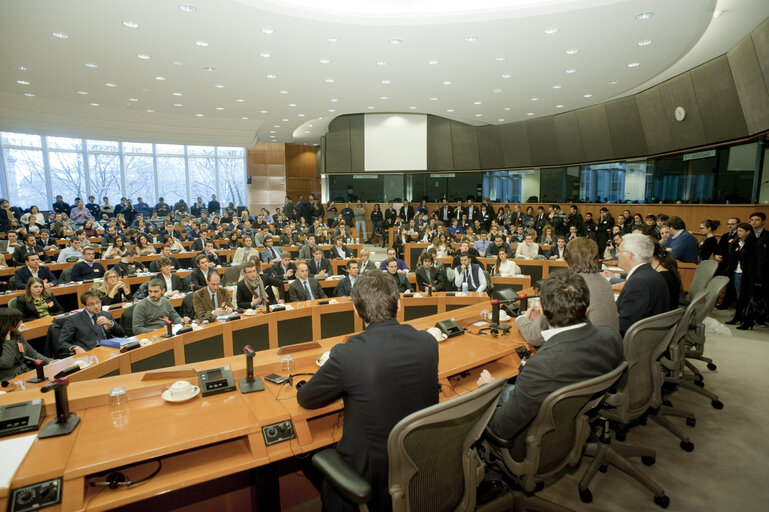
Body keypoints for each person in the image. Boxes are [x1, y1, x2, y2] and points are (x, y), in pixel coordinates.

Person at [297, 270, 439, 512]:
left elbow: (306, 398)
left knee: (306, 452)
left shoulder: (347, 354)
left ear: (356, 310)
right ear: (399, 304)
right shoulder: (428, 342)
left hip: (371, 479)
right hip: (421, 466)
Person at [479, 270, 623, 463]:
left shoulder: (542, 366)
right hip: (574, 423)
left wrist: (490, 389)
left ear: (542, 310)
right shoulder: (611, 336)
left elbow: (500, 429)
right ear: (588, 308)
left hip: (532, 447)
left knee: (480, 397)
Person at [517, 237, 619, 346]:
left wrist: (521, 319)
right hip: (609, 349)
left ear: (566, 259)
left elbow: (535, 336)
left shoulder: (569, 287)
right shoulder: (605, 283)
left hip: (581, 351)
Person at [615, 233, 671, 335]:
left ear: (629, 256)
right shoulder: (652, 274)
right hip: (651, 336)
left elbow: (624, 326)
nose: (616, 255)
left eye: (619, 251)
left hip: (634, 341)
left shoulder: (638, 283)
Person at [57, 291, 125, 353]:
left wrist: (110, 323)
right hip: (88, 353)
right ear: (84, 306)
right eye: (91, 304)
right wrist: (75, 348)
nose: (96, 306)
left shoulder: (106, 315)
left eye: (98, 302)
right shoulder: (73, 319)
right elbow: (62, 343)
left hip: (109, 350)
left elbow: (121, 334)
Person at [0, 308, 52, 381]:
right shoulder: (7, 339)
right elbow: (7, 363)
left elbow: (33, 354)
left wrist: (49, 361)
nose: (21, 321)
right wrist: (7, 342)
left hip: (23, 373)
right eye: (17, 320)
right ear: (8, 323)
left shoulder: (16, 335)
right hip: (6, 379)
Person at [725, 223, 757, 329]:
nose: (738, 233)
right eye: (738, 231)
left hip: (747, 274)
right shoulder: (737, 242)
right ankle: (738, 316)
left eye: (741, 231)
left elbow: (754, 261)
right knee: (739, 297)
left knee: (745, 297)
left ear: (748, 231)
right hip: (736, 271)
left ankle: (747, 319)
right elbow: (732, 255)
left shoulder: (753, 243)